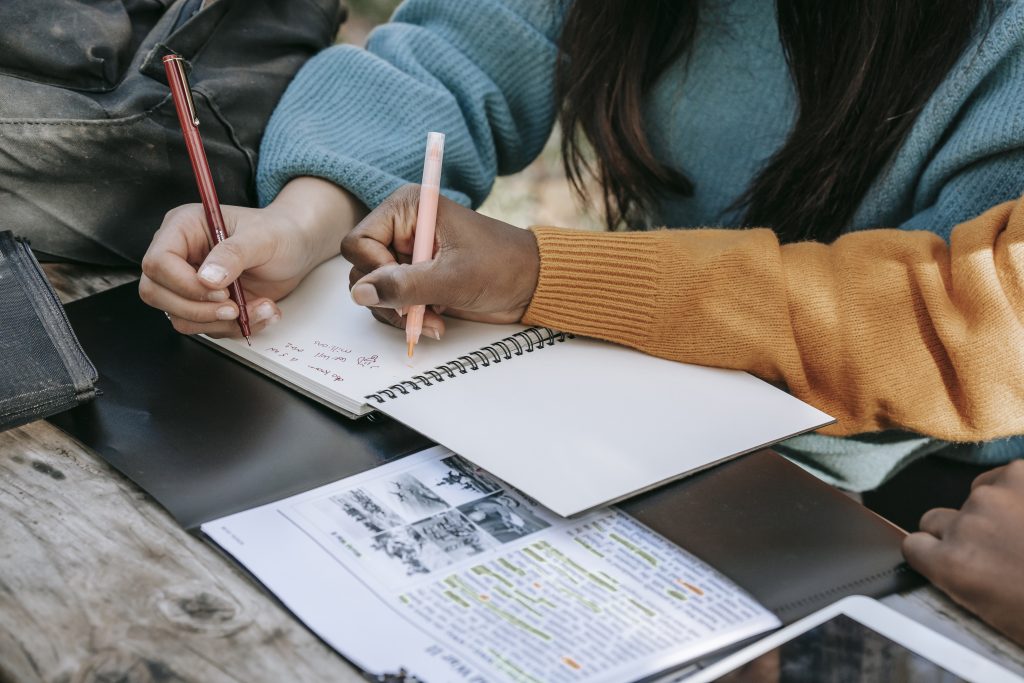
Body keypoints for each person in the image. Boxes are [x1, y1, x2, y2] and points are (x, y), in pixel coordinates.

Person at [138, 0, 1024, 644]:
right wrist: (306, 215)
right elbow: (466, 49)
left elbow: (960, 318)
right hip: (629, 408)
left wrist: (540, 272)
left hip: (903, 498)